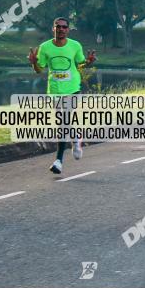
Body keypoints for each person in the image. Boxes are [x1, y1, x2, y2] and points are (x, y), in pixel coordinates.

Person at [28, 17, 96, 174]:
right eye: (58, 26)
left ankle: (58, 160)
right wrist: (33, 63)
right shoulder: (45, 47)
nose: (61, 29)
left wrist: (89, 62)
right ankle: (77, 137)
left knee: (63, 122)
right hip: (54, 91)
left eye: (64, 27)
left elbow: (80, 64)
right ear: (53, 29)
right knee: (63, 121)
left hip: (72, 88)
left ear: (68, 29)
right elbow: (39, 70)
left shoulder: (75, 45)